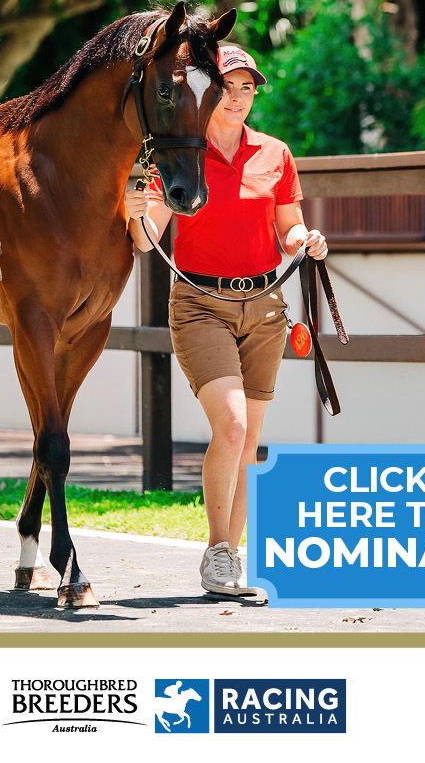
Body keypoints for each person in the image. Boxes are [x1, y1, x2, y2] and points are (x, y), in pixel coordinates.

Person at [125, 42, 328, 598]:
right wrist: (137, 213)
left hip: (265, 307)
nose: (238, 98)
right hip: (199, 305)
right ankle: (218, 551)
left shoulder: (275, 153)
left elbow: (287, 226)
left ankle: (230, 557)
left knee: (250, 438)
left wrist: (304, 240)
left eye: (247, 89)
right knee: (233, 426)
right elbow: (145, 241)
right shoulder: (178, 154)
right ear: (208, 91)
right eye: (228, 88)